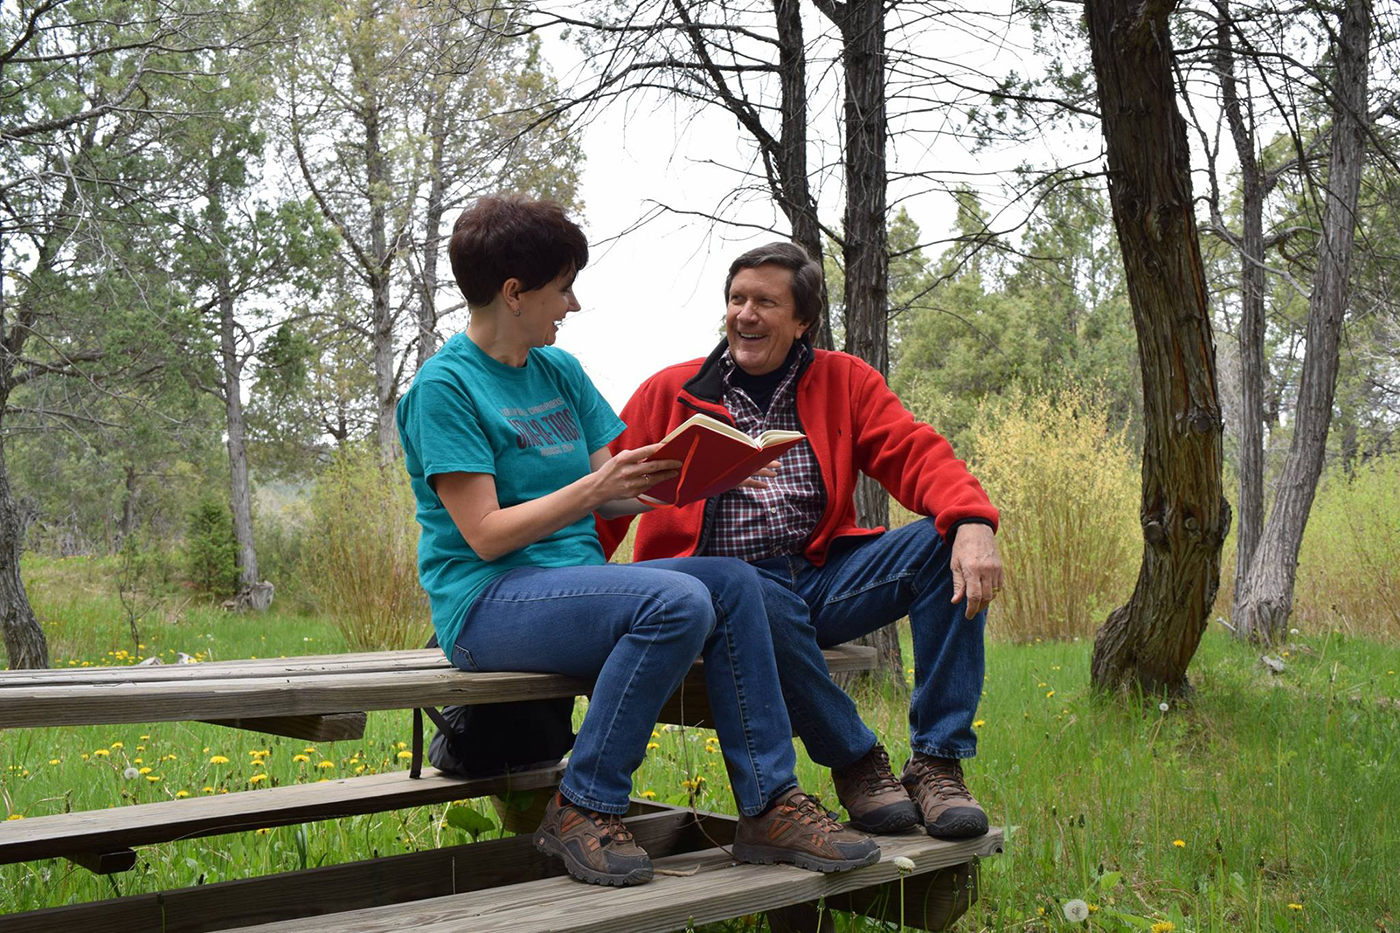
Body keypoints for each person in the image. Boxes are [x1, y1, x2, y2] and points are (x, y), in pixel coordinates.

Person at [396, 200, 880, 887]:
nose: (573, 303)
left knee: (736, 582)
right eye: (563, 286)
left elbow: (612, 487)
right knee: (678, 601)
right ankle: (584, 802)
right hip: (485, 603)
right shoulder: (445, 388)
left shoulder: (556, 371)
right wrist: (596, 492)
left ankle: (769, 803)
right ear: (514, 292)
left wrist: (697, 472)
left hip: (568, 586)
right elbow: (484, 533)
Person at [599, 241, 1003, 841]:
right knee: (750, 590)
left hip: (816, 577)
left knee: (938, 544)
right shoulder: (672, 392)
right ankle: (856, 760)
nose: (745, 314)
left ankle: (937, 762)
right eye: (736, 299)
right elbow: (603, 495)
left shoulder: (843, 381)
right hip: (715, 597)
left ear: (803, 319)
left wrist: (972, 522)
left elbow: (913, 450)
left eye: (765, 301)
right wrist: (568, 587)